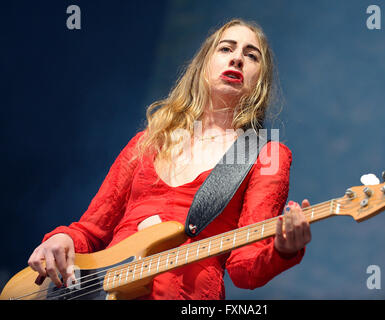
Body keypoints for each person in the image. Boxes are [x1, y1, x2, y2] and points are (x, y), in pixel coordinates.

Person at [27, 18, 312, 300]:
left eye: (252, 56)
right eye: (226, 49)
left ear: (259, 81)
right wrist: (62, 239)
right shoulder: (148, 141)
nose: (237, 58)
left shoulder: (266, 155)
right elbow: (90, 231)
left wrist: (283, 248)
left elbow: (245, 268)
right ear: (202, 66)